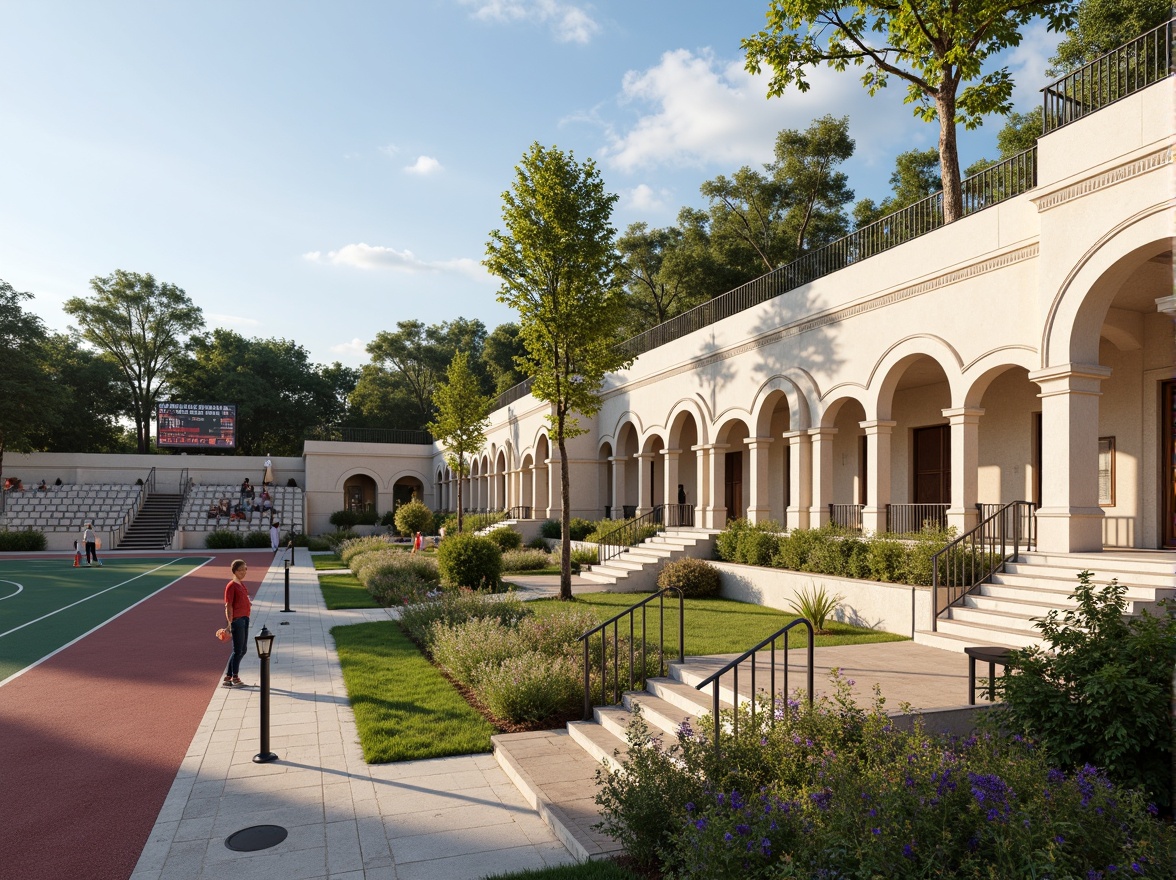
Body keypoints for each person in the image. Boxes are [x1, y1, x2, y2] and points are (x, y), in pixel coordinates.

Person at [222, 559, 252, 688]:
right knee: (238, 649)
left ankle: (228, 677)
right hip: (237, 620)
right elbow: (228, 606)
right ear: (234, 571)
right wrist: (229, 624)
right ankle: (234, 676)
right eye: (241, 570)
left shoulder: (241, 584)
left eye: (245, 569)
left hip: (245, 618)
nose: (243, 572)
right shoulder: (231, 585)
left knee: (242, 649)